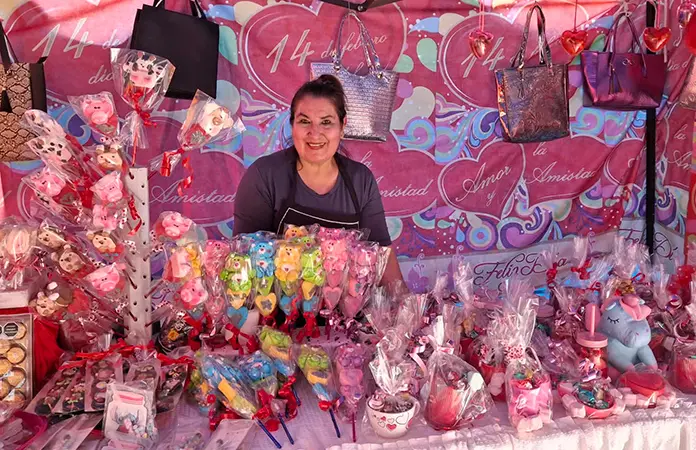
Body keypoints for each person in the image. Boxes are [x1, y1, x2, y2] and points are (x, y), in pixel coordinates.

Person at [233, 74, 403, 285]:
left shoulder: (361, 180)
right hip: (278, 304)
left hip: (349, 303)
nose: (315, 133)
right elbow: (244, 259)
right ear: (292, 125)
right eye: (304, 121)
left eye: (326, 122)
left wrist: (404, 302)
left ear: (342, 126)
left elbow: (383, 256)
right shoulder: (264, 176)